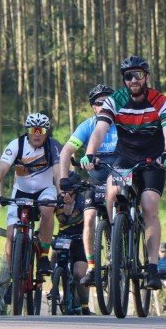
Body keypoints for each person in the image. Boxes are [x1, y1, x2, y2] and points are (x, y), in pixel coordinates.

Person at [81, 55, 166, 289]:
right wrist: (91, 152)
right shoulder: (115, 101)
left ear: (146, 77)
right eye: (128, 76)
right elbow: (100, 129)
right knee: (111, 194)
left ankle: (153, 267)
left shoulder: (161, 101)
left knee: (148, 204)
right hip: (125, 157)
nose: (133, 79)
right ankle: (114, 239)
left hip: (152, 160)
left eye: (138, 75)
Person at [0, 112, 61, 301]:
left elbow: (58, 172)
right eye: (33, 130)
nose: (37, 134)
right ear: (27, 131)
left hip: (45, 190)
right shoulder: (16, 145)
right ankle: (13, 277)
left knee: (48, 209)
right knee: (11, 234)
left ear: (47, 132)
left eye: (41, 130)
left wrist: (62, 192)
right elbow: (2, 169)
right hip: (20, 192)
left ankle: (44, 255)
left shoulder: (53, 146)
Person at [59, 84, 119, 286]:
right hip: (97, 176)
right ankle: (93, 266)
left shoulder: (123, 123)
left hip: (121, 172)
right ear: (93, 107)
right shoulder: (88, 125)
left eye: (108, 101)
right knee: (89, 216)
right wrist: (63, 180)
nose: (103, 106)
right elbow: (67, 151)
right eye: (98, 103)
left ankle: (120, 238)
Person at [51, 173, 92, 315]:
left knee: (79, 273)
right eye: (63, 189)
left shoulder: (84, 201)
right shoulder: (58, 200)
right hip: (64, 237)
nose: (65, 193)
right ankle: (55, 287)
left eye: (68, 190)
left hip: (81, 239)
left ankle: (85, 305)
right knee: (55, 256)